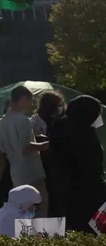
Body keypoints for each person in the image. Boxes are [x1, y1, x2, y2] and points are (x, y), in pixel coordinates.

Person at [48, 95, 106, 232]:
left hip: (60, 190)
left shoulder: (59, 126)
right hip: (85, 194)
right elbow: (92, 168)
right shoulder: (85, 135)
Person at [0, 86, 49, 217]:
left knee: (23, 209)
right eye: (30, 101)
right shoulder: (23, 120)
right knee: (40, 207)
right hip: (31, 171)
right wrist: (46, 144)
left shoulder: (3, 120)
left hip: (15, 172)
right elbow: (26, 148)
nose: (30, 105)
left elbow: (3, 148)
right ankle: (41, 236)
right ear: (23, 99)